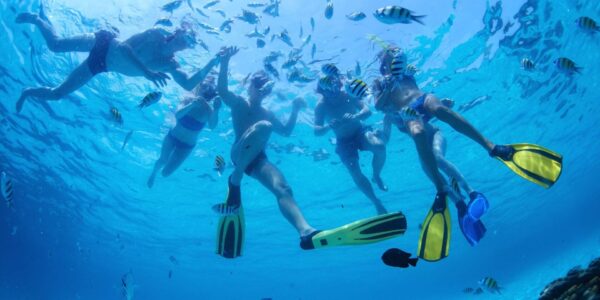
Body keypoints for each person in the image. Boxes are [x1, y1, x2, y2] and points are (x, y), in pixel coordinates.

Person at [372, 46, 563, 262]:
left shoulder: (403, 68)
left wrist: (400, 62)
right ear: (381, 63)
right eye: (385, 54)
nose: (389, 54)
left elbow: (408, 66)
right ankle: (449, 194)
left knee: (441, 110)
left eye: (390, 52)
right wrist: (388, 88)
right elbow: (377, 105)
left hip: (422, 99)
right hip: (409, 113)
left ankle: (492, 148)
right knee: (417, 133)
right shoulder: (379, 82)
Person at [15, 10, 220, 112]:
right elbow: (123, 47)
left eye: (192, 43)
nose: (187, 43)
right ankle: (37, 19)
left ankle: (27, 92)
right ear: (179, 31)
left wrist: (213, 62)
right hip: (104, 42)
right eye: (188, 37)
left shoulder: (171, 64)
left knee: (57, 94)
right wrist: (147, 73)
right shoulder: (155, 34)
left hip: (103, 65)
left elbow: (187, 84)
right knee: (55, 45)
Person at [379, 97, 487, 247]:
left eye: (386, 103)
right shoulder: (388, 118)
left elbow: (426, 108)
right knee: (429, 171)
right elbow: (385, 138)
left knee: (437, 158)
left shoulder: (405, 105)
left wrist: (443, 103)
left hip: (436, 135)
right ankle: (460, 205)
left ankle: (472, 193)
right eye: (382, 107)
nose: (386, 107)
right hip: (423, 150)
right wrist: (379, 136)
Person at [313, 74, 388, 215]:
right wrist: (329, 126)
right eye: (328, 91)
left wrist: (355, 116)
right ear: (322, 91)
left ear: (339, 85)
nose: (332, 93)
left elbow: (367, 111)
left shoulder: (349, 94)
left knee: (379, 147)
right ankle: (376, 202)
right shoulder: (321, 106)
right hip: (343, 141)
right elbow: (317, 130)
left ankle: (376, 175)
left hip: (360, 131)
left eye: (335, 88)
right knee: (354, 171)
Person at [147, 76, 221, 188]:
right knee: (162, 160)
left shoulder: (209, 110)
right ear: (198, 88)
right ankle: (153, 174)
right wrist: (192, 105)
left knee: (166, 173)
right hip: (172, 136)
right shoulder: (187, 99)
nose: (205, 91)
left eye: (208, 90)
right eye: (203, 87)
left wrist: (217, 109)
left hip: (187, 146)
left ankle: (160, 177)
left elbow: (212, 126)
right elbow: (177, 115)